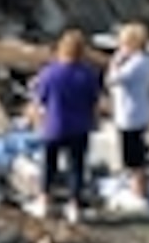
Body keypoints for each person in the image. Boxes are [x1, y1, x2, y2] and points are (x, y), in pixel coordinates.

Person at [29, 27, 104, 225]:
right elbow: (94, 102)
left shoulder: (49, 73)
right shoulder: (88, 74)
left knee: (49, 165)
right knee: (76, 167)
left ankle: (44, 200)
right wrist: (95, 122)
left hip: (54, 125)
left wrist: (37, 121)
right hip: (80, 127)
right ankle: (74, 206)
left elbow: (39, 101)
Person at [107, 22, 149, 205]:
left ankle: (140, 192)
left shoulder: (135, 64)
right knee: (138, 154)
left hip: (129, 115)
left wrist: (115, 61)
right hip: (141, 111)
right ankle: (138, 188)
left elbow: (112, 79)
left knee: (133, 158)